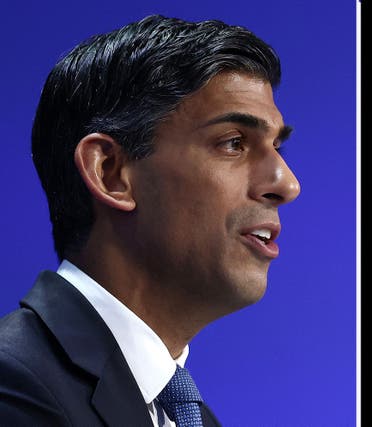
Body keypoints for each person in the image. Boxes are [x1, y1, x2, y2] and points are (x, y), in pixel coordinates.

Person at [0, 14, 300, 426]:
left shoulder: (193, 417)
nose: (286, 183)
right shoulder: (14, 384)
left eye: (277, 146)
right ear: (111, 172)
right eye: (234, 143)